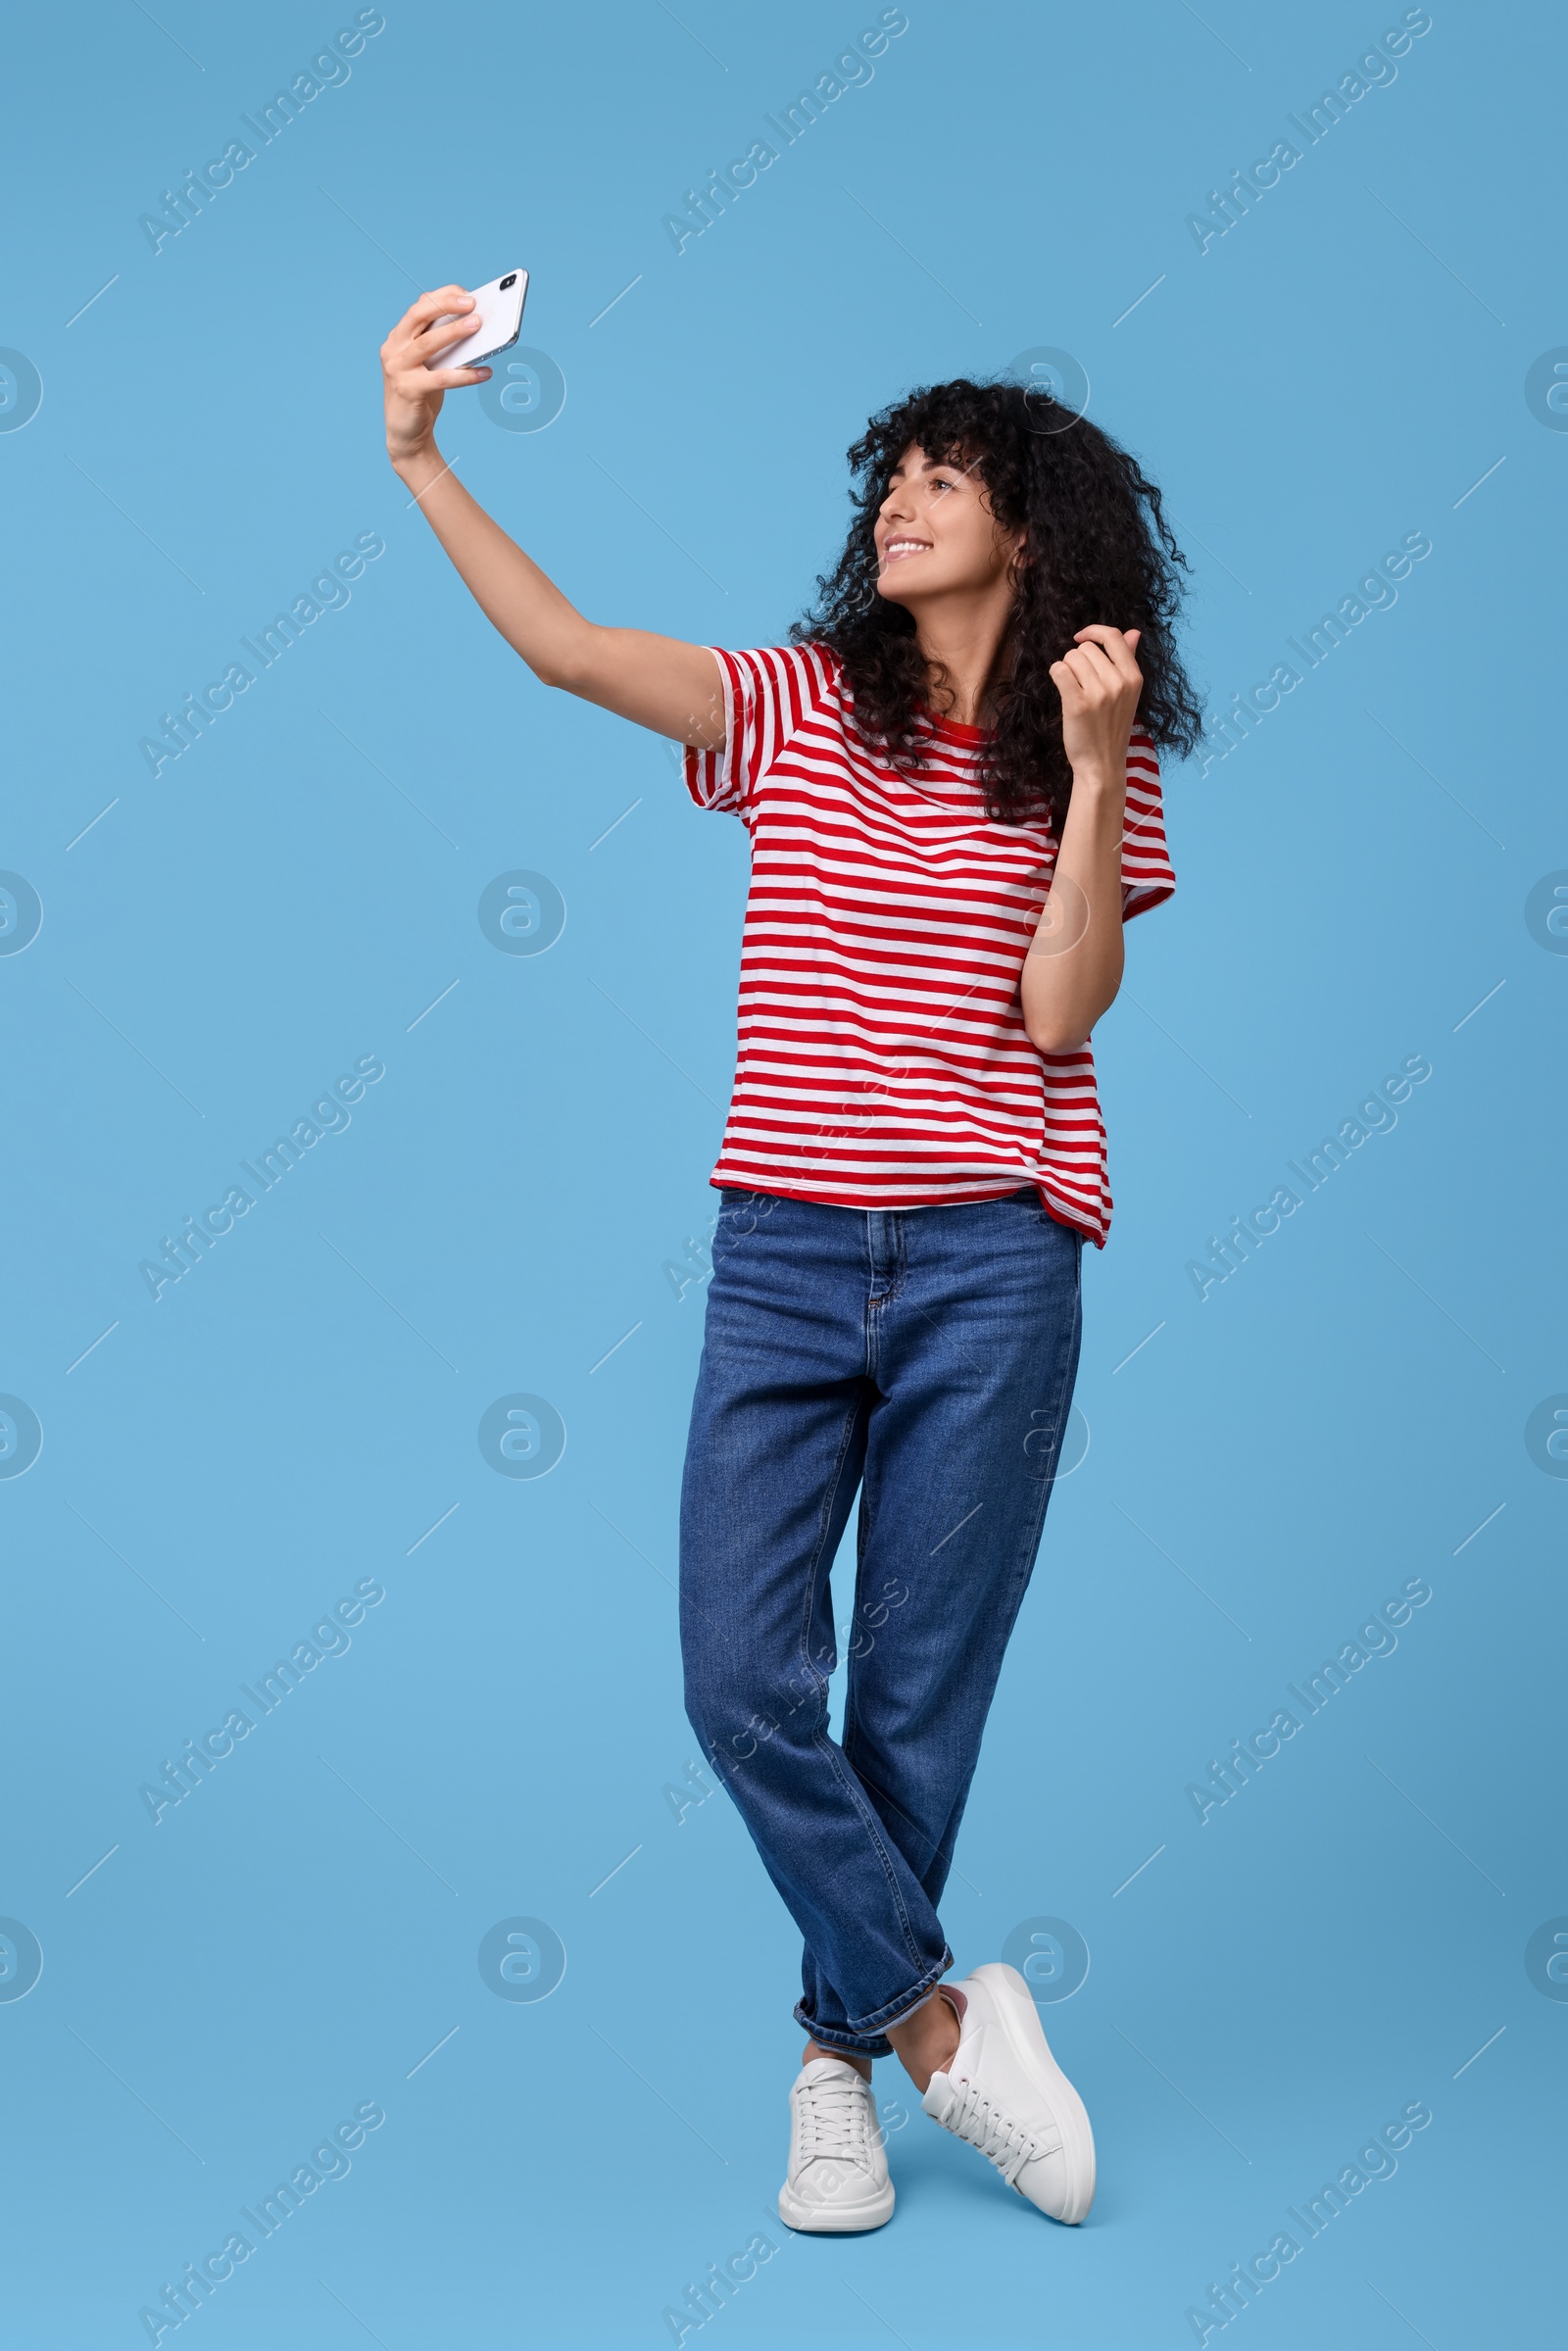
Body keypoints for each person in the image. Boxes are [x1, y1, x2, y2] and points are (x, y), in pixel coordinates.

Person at [380, 289, 1202, 2232]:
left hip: (995, 1259)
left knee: (912, 1696)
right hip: (783, 1247)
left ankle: (827, 2077)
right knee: (741, 1673)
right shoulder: (791, 705)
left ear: (1034, 528)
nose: (898, 504)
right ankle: (936, 2030)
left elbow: (1066, 1014)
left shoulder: (1092, 754)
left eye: (944, 479)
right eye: (891, 480)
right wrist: (419, 451)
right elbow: (570, 652)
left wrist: (1088, 775)